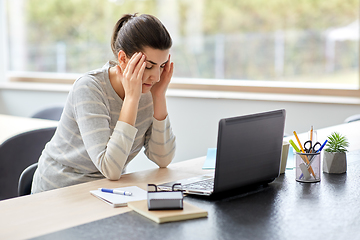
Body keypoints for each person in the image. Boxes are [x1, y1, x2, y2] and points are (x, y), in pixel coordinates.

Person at [31, 13, 176, 193]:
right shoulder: (89, 88)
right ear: (123, 59)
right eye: (148, 66)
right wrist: (132, 98)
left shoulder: (150, 90)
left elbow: (163, 158)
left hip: (107, 189)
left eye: (162, 66)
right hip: (61, 189)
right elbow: (110, 169)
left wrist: (159, 95)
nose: (156, 77)